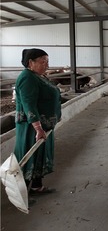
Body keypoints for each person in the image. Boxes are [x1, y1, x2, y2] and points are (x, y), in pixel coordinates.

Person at [14, 48, 62, 197]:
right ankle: (24, 193)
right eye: (43, 62)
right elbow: (29, 104)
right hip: (32, 127)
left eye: (47, 61)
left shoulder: (37, 76)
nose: (47, 65)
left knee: (40, 153)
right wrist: (38, 128)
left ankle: (36, 187)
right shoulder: (27, 78)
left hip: (43, 126)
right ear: (30, 63)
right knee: (29, 155)